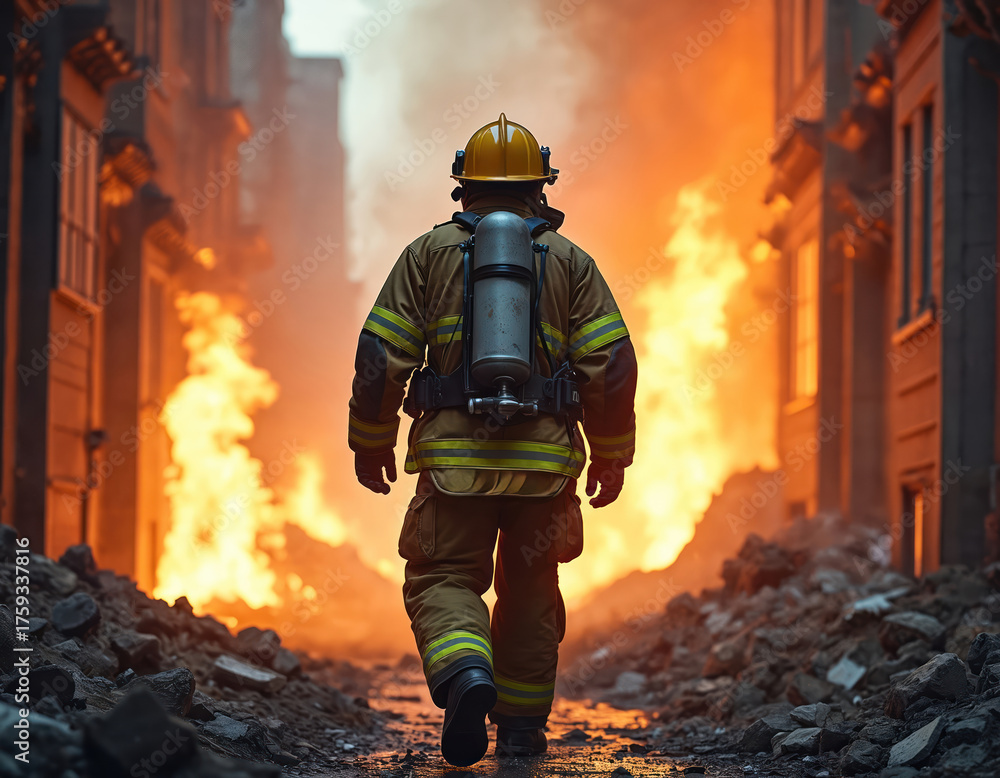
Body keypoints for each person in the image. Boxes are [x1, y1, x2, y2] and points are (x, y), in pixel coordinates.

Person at [348, 114, 638, 766]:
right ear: (540, 186)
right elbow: (613, 367)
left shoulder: (427, 255)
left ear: (463, 186)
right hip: (544, 468)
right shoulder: (572, 262)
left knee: (445, 575)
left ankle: (467, 673)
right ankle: (522, 731)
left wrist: (371, 439)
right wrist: (611, 454)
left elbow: (380, 357)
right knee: (531, 588)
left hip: (455, 462)